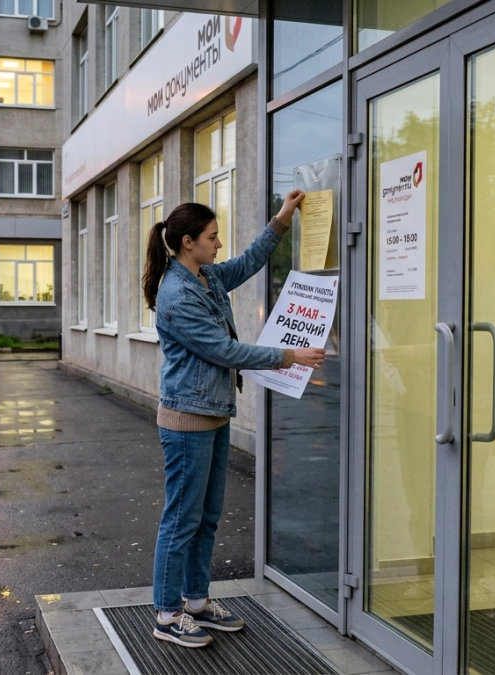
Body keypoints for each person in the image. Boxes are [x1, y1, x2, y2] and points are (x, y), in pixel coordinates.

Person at [142, 191, 325, 648]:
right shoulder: (178, 294)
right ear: (188, 242)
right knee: (181, 518)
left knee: (205, 517)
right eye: (212, 237)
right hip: (187, 421)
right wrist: (287, 356)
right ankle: (166, 614)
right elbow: (223, 350)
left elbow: (245, 264)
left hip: (214, 415)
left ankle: (196, 602)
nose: (219, 244)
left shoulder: (204, 276)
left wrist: (280, 221)